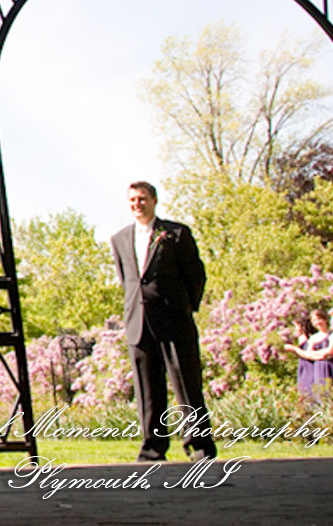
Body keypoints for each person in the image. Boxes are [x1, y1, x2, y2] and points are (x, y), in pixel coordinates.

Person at [109, 181, 216, 463]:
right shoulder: (120, 239)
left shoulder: (176, 234)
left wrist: (184, 307)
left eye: (142, 199)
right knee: (147, 391)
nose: (137, 204)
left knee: (187, 387)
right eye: (132, 200)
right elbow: (127, 281)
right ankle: (152, 449)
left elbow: (196, 276)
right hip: (138, 324)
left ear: (154, 201)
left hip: (174, 322)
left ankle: (200, 447)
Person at [283, 315, 318, 397]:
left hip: (311, 364)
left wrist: (294, 349)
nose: (295, 328)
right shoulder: (300, 338)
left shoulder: (312, 337)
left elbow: (308, 353)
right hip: (303, 363)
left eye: (296, 326)